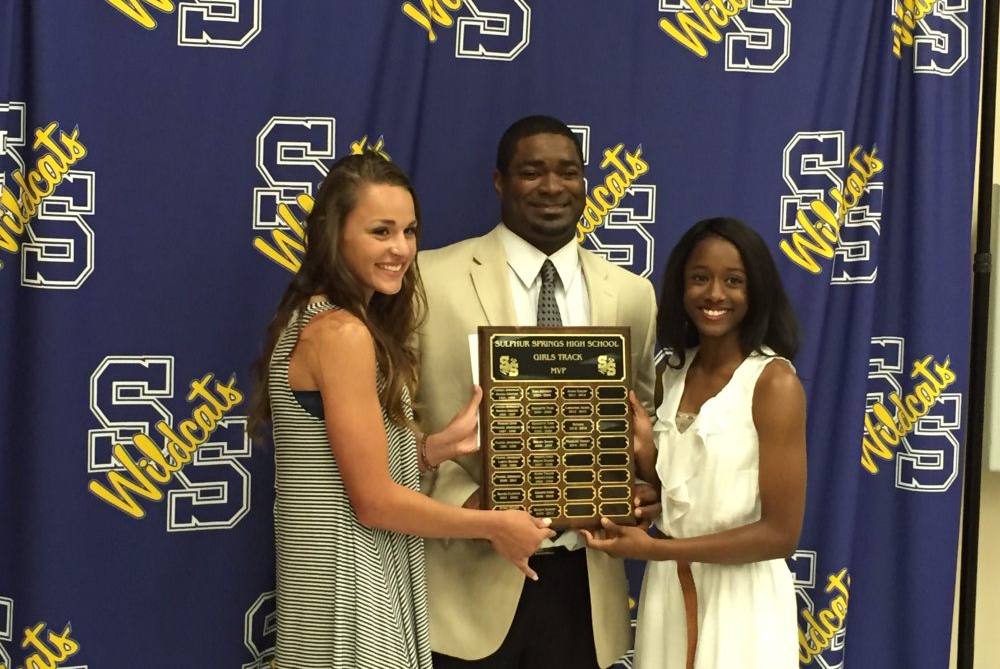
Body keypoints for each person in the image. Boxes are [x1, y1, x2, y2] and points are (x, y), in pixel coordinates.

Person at [247, 152, 554, 669]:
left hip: (337, 582)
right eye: (380, 231)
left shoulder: (319, 320)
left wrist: (433, 449)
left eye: (409, 231)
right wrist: (494, 525)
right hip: (350, 591)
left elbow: (333, 461)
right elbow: (375, 503)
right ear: (333, 234)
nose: (401, 249)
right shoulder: (342, 333)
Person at [415, 115, 659, 669]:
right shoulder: (429, 280)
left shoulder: (631, 294)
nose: (552, 187)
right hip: (466, 584)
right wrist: (466, 509)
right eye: (532, 172)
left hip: (584, 584)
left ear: (585, 182)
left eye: (567, 172)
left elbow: (643, 424)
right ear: (500, 181)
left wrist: (644, 487)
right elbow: (400, 424)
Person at [581, 217, 807, 669]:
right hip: (669, 594)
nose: (715, 294)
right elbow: (683, 498)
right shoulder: (670, 375)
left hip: (741, 601)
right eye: (700, 278)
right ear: (681, 288)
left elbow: (780, 535)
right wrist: (646, 461)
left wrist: (655, 550)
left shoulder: (773, 383)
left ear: (756, 289)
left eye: (734, 281)